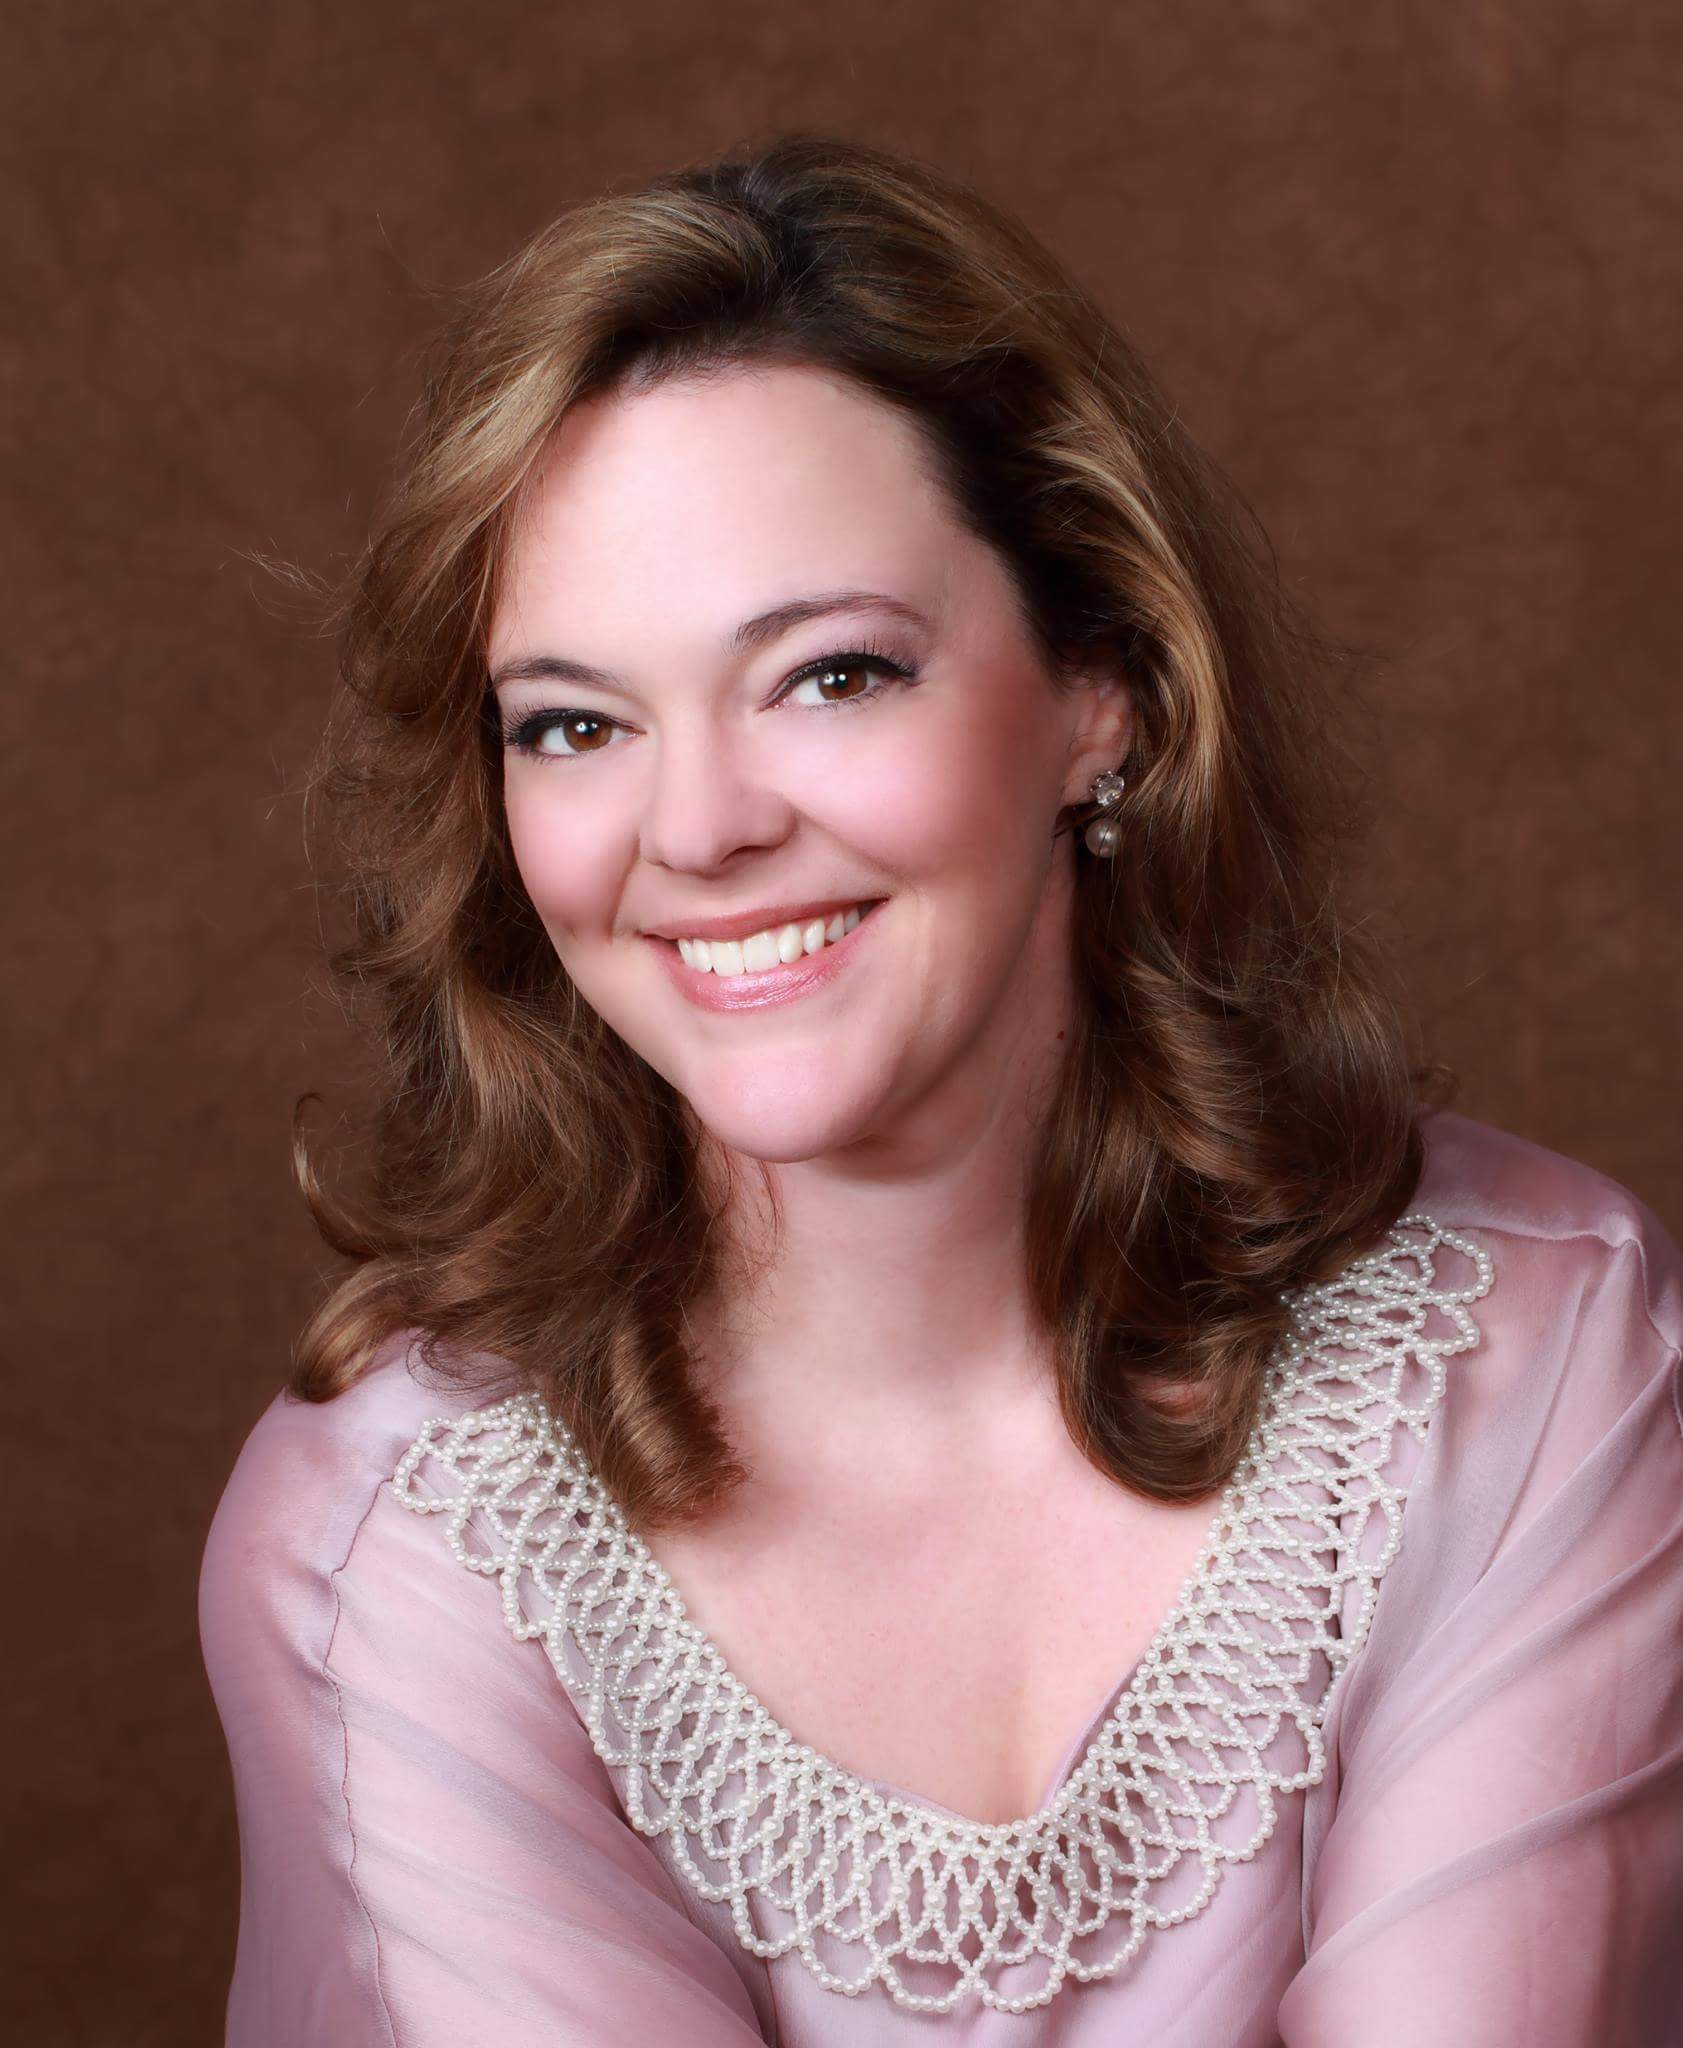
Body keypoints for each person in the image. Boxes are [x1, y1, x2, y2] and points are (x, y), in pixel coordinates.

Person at [198, 132, 1683, 2045]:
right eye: (575, 724)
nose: (704, 827)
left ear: (1105, 689)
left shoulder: (1532, 1353)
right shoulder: (394, 1537)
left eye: (827, 677)